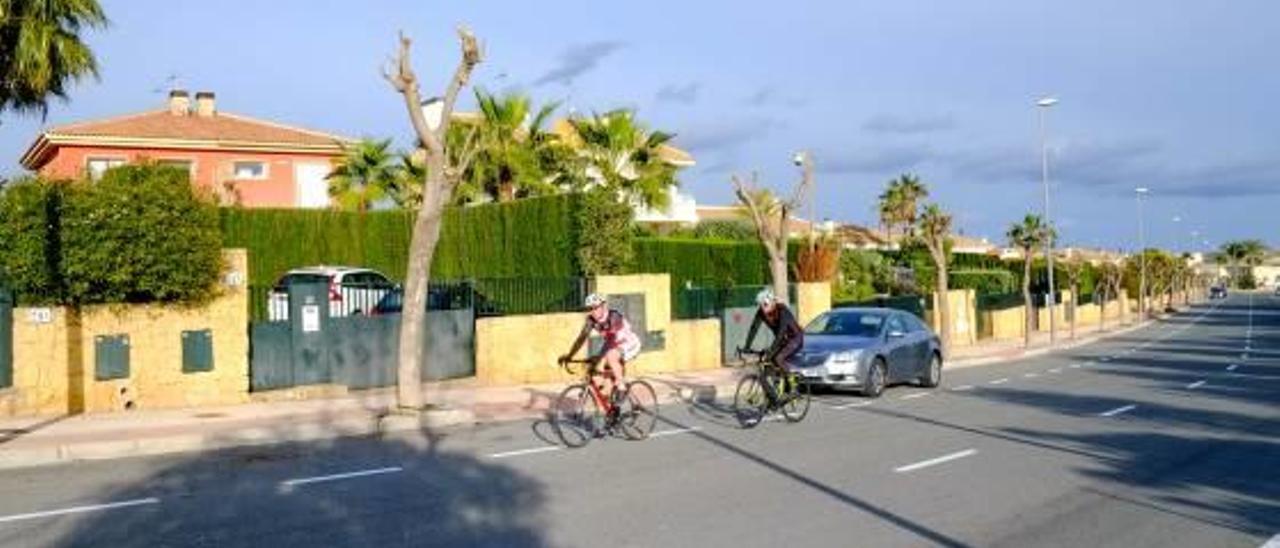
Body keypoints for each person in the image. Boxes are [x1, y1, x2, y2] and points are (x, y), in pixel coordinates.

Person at [559, 293, 641, 404]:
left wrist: (600, 358)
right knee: (601, 378)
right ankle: (613, 409)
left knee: (610, 357)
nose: (592, 311)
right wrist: (570, 355)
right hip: (612, 346)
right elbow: (581, 339)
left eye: (595, 307)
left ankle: (621, 386)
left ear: (603, 306)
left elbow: (612, 339)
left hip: (629, 344)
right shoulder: (591, 320)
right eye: (589, 308)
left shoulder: (613, 316)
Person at [741, 288, 804, 402]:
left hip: (795, 339)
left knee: (778, 358)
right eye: (760, 305)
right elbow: (754, 328)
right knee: (766, 364)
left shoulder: (782, 311)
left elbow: (780, 334)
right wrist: (747, 346)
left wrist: (770, 351)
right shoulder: (761, 312)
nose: (762, 308)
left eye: (765, 304)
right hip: (782, 340)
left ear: (771, 302)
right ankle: (774, 395)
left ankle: (793, 388)